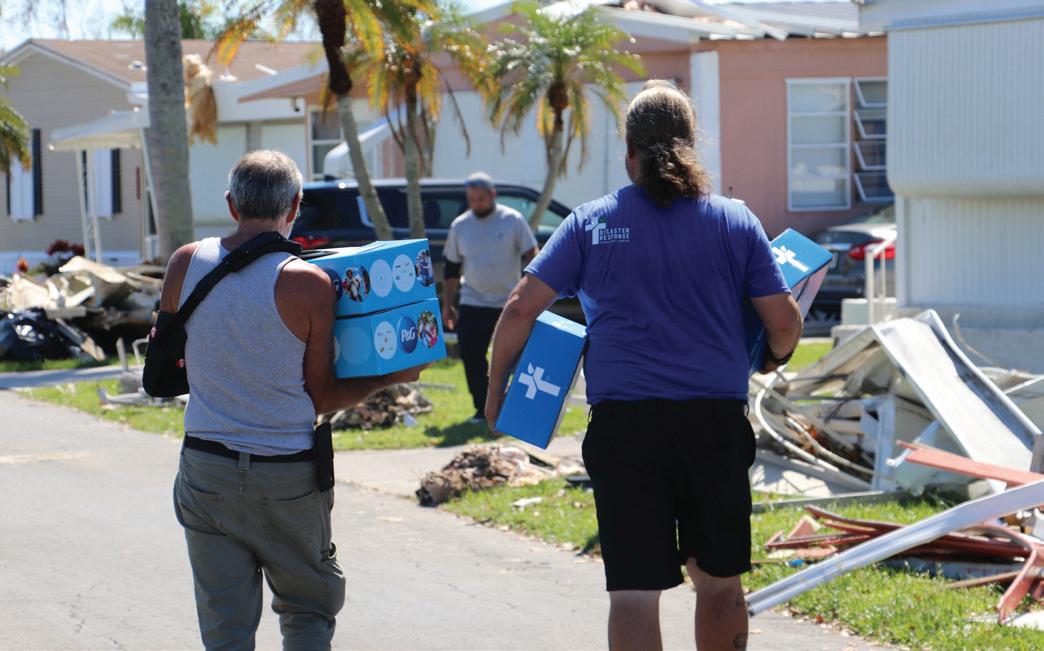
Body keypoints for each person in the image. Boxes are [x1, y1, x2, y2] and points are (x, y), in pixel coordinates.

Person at [484, 84, 803, 650]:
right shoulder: (735, 222)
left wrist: (495, 391)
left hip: (625, 428)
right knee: (719, 582)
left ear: (629, 151)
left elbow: (518, 308)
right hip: (714, 425)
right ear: (689, 145)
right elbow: (783, 322)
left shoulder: (591, 222)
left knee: (633, 592)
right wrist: (773, 356)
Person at [160, 150, 425, 650]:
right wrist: (391, 376)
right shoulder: (307, 284)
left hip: (205, 468)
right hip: (286, 474)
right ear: (296, 205)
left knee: (224, 628)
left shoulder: (185, 262)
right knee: (307, 612)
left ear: (231, 204)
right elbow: (320, 396)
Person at [441, 171, 540, 423]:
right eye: (472, 199)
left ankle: (517, 408)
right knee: (471, 356)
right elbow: (451, 269)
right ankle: (482, 409)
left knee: (516, 358)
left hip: (509, 304)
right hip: (473, 301)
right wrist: (447, 305)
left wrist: (533, 294)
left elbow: (533, 255)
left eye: (481, 199)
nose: (477, 204)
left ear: (492, 195)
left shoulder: (512, 220)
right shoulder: (460, 226)